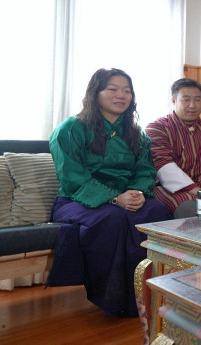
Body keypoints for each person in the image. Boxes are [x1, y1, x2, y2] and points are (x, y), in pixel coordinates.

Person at [48, 68, 172, 317]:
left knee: (157, 211)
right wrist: (115, 198)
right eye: (113, 89)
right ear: (96, 93)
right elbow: (73, 178)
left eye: (127, 91)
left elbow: (145, 171)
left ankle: (151, 293)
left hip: (126, 196)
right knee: (112, 218)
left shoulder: (137, 134)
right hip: (79, 199)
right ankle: (114, 299)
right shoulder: (71, 128)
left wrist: (137, 192)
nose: (121, 95)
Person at [145, 78, 201, 214]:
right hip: (171, 189)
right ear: (174, 101)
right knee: (193, 208)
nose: (193, 105)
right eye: (186, 100)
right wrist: (199, 192)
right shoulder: (157, 128)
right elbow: (163, 164)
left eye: (197, 100)